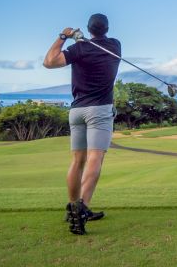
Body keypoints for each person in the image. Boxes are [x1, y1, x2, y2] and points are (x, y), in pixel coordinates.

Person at [43, 13, 121, 235]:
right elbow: (94, 46)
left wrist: (64, 36)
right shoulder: (115, 45)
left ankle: (73, 209)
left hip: (77, 111)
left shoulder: (78, 49)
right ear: (107, 29)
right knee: (95, 160)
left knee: (77, 161)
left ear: (88, 29)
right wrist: (80, 39)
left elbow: (49, 62)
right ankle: (82, 209)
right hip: (100, 111)